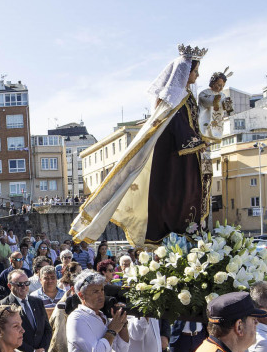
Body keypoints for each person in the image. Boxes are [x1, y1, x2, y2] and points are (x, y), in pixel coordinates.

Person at [71, 45, 212, 245]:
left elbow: (193, 123)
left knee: (188, 196)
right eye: (195, 71)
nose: (197, 76)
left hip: (188, 158)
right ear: (185, 72)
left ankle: (188, 234)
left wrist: (202, 137)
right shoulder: (174, 99)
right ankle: (176, 236)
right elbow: (175, 125)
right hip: (175, 159)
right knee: (176, 197)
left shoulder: (186, 97)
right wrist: (196, 142)